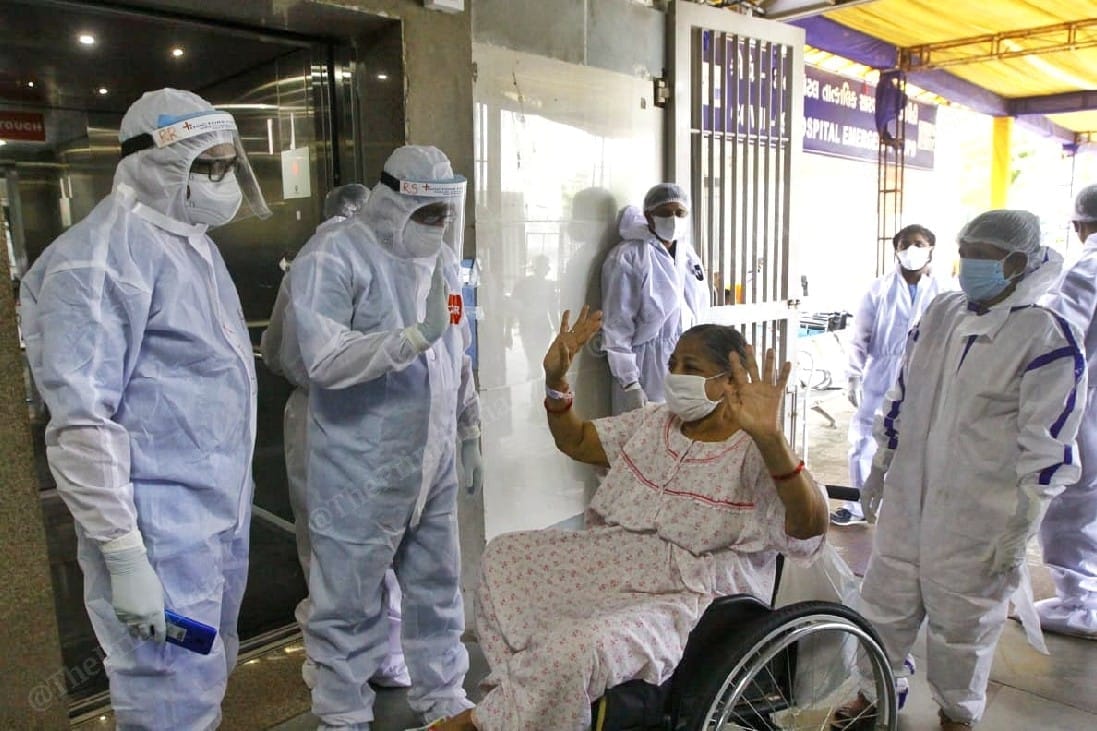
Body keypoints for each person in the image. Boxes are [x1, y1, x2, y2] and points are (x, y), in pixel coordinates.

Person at [417, 312, 829, 731]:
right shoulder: (655, 423)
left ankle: (490, 720)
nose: (676, 377)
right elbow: (576, 440)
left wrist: (772, 439)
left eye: (692, 368)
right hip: (621, 560)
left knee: (574, 648)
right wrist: (555, 384)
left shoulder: (754, 449)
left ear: (729, 381)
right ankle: (526, 702)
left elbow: (809, 524)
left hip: (693, 595)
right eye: (672, 365)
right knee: (505, 557)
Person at [19, 88, 269, 728]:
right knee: (165, 698)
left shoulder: (193, 245)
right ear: (154, 162)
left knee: (201, 682)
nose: (220, 180)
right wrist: (125, 557)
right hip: (155, 531)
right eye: (205, 166)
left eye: (226, 164)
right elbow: (81, 422)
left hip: (210, 518)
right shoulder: (97, 260)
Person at [835, 210, 1086, 730]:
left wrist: (1023, 525)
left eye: (985, 255)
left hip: (979, 515)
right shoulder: (942, 313)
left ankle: (957, 715)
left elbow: (1048, 446)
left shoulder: (1044, 337)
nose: (970, 262)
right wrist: (882, 461)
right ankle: (875, 689)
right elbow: (904, 394)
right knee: (884, 602)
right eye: (966, 249)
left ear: (1018, 263)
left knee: (964, 623)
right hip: (910, 498)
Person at [290, 145, 482, 730]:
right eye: (427, 215)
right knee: (347, 598)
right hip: (360, 464)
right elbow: (323, 357)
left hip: (433, 456)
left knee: (437, 582)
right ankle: (343, 711)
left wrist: (468, 427)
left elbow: (458, 349)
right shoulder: (334, 255)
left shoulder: (445, 263)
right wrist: (410, 338)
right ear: (392, 202)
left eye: (445, 214)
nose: (439, 227)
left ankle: (443, 694)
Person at [261, 183, 411, 689]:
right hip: (360, 417)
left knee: (338, 546)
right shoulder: (345, 260)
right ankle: (371, 659)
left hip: (335, 419)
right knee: (361, 541)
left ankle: (351, 664)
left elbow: (276, 348)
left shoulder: (324, 260)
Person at [835, 224, 944, 526]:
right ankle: (859, 504)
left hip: (926, 372)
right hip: (882, 371)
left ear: (931, 248)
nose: (912, 249)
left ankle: (909, 510)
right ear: (895, 249)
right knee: (865, 437)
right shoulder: (879, 288)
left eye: (919, 243)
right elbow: (861, 334)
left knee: (920, 438)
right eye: (905, 244)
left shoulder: (944, 291)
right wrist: (854, 374)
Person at [1036, 183, 1097, 639]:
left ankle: (1079, 602)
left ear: (1078, 225)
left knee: (1070, 503)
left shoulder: (1084, 271)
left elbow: (1056, 342)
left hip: (1085, 407)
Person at [601, 183, 708, 415]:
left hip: (686, 365)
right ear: (649, 216)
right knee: (644, 440)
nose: (673, 219)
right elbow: (617, 325)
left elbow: (699, 307)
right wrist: (630, 382)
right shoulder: (628, 256)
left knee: (681, 439)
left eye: (680, 213)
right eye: (665, 213)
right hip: (647, 367)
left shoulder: (687, 254)